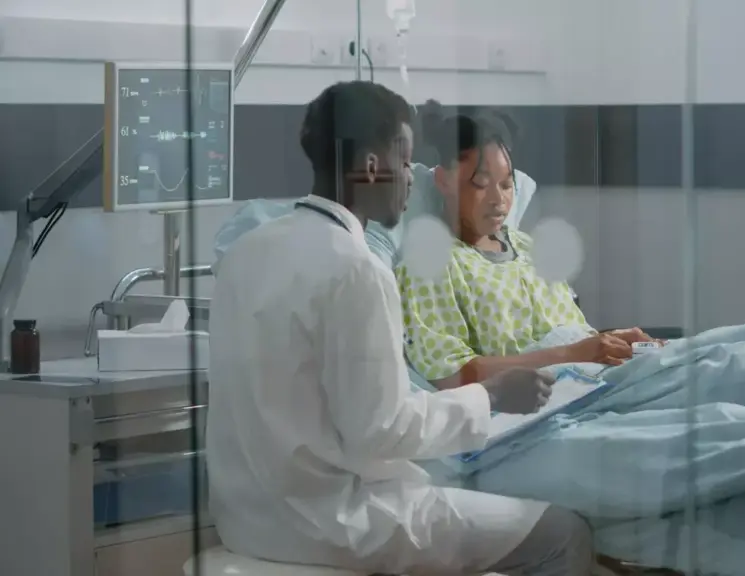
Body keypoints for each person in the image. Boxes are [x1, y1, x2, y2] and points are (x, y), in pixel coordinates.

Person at [206, 81, 594, 575]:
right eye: (406, 162)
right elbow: (381, 431)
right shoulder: (358, 270)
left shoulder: (246, 252)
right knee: (563, 533)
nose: (413, 181)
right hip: (333, 522)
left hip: (245, 519)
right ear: (372, 166)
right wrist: (492, 396)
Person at [396, 110, 656, 389]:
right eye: (481, 184)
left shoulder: (527, 247)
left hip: (597, 375)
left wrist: (612, 341)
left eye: (507, 185)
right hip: (547, 394)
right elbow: (451, 373)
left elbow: (568, 335)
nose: (498, 200)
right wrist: (572, 354)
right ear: (443, 181)